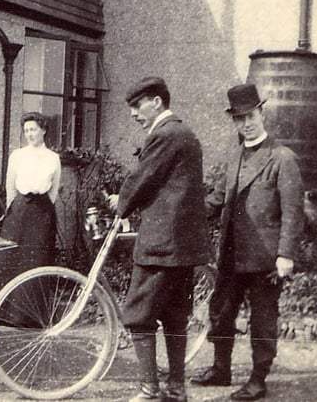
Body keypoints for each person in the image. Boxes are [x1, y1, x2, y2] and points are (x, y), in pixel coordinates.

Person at [191, 83, 303, 401]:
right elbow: (217, 199)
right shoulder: (235, 154)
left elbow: (293, 213)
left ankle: (257, 379)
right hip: (231, 252)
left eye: (251, 115)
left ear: (261, 113)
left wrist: (285, 255)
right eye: (239, 119)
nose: (246, 123)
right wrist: (187, 217)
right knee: (221, 310)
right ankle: (221, 369)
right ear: (234, 121)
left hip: (265, 258)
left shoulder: (282, 158)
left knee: (263, 319)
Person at [108, 77, 212, 402]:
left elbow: (144, 177)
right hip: (181, 247)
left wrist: (120, 203)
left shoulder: (166, 134)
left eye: (137, 106)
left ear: (156, 102)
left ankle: (149, 389)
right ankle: (176, 388)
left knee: (138, 313)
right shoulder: (184, 133)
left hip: (161, 245)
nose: (133, 114)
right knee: (174, 314)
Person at [0, 111, 61, 322]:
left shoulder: (53, 158)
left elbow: (54, 191)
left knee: (36, 260)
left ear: (43, 130)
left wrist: (42, 209)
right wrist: (14, 209)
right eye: (26, 131)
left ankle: (29, 317)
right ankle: (1, 313)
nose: (30, 134)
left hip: (42, 212)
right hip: (19, 209)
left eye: (33, 129)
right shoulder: (18, 155)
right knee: (9, 257)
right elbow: (10, 185)